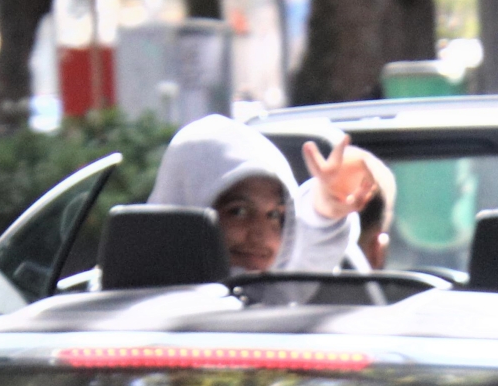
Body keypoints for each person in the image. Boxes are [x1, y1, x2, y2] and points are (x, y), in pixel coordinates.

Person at [144, 114, 386, 274]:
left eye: (274, 215)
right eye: (238, 212)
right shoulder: (134, 324)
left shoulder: (272, 306)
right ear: (185, 214)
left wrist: (326, 210)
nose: (260, 234)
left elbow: (303, 265)